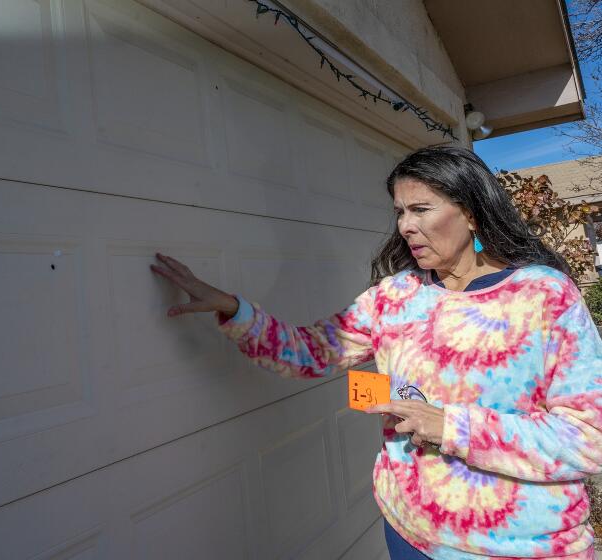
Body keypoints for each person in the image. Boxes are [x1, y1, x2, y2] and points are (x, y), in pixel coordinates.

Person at [149, 146, 602, 560]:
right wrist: (233, 308)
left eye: (421, 209)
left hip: (521, 546)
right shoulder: (394, 297)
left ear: (472, 213)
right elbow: (310, 352)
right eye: (400, 211)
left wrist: (453, 426)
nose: (406, 225)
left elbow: (589, 438)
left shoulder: (545, 296)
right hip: (408, 532)